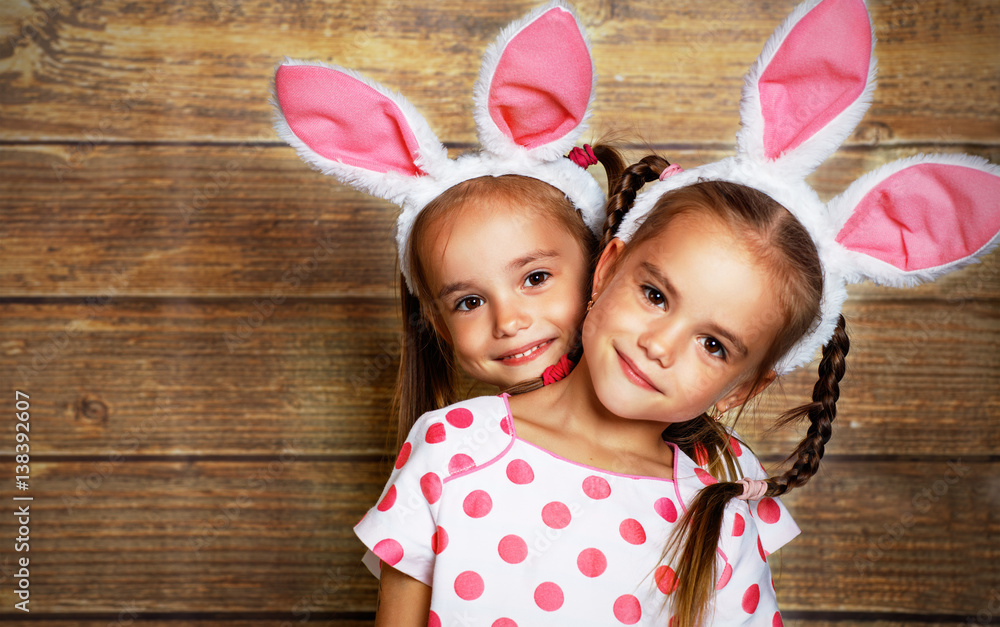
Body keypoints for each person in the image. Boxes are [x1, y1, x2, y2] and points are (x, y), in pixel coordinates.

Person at [355, 0, 1000, 623]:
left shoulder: (717, 509)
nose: (660, 344)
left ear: (745, 384)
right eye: (656, 296)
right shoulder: (451, 448)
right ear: (606, 268)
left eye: (714, 344)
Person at [272, 1, 624, 447]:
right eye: (469, 302)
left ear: (601, 268)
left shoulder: (698, 451)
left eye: (535, 278)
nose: (509, 322)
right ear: (439, 324)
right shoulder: (450, 451)